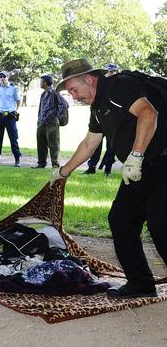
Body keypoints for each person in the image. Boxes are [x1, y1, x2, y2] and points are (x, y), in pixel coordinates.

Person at [50, 58, 167, 298]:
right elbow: (89, 143)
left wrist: (135, 156)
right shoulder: (98, 106)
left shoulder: (118, 86)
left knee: (161, 223)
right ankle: (141, 284)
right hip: (142, 168)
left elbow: (149, 113)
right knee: (121, 219)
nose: (74, 96)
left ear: (89, 78)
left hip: (162, 162)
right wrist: (63, 172)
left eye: (74, 89)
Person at [83, 63, 119, 175]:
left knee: (111, 146)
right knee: (96, 144)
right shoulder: (99, 85)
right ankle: (91, 167)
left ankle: (107, 168)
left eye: (113, 71)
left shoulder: (118, 86)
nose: (111, 73)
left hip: (112, 121)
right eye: (110, 71)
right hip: (99, 119)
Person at [0, 70, 22, 167]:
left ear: (8, 77)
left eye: (4, 76)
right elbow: (0, 101)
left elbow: (18, 101)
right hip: (0, 115)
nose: (2, 78)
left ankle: (17, 159)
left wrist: (15, 111)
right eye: (1, 76)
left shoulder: (13, 88)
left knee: (13, 138)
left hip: (10, 116)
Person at [32, 75, 68, 169]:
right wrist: (39, 119)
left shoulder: (55, 93)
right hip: (41, 122)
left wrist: (56, 115)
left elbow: (64, 105)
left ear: (45, 83)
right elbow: (41, 108)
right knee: (41, 143)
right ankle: (41, 163)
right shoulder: (43, 94)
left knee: (53, 144)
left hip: (52, 123)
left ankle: (55, 165)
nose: (40, 83)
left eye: (41, 81)